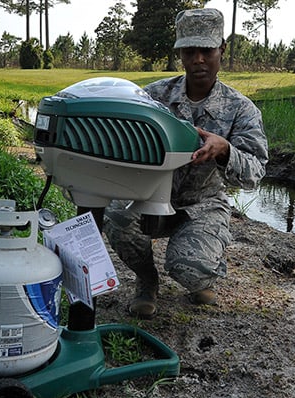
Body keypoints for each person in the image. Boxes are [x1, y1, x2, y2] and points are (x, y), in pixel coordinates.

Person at [103, 8, 268, 319]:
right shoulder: (152, 97)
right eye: (190, 51)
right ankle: (147, 280)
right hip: (150, 200)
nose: (199, 59)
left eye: (207, 50)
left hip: (203, 206)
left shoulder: (241, 109)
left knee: (191, 270)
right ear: (180, 53)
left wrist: (225, 150)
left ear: (222, 49)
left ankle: (198, 273)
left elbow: (255, 171)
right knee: (114, 215)